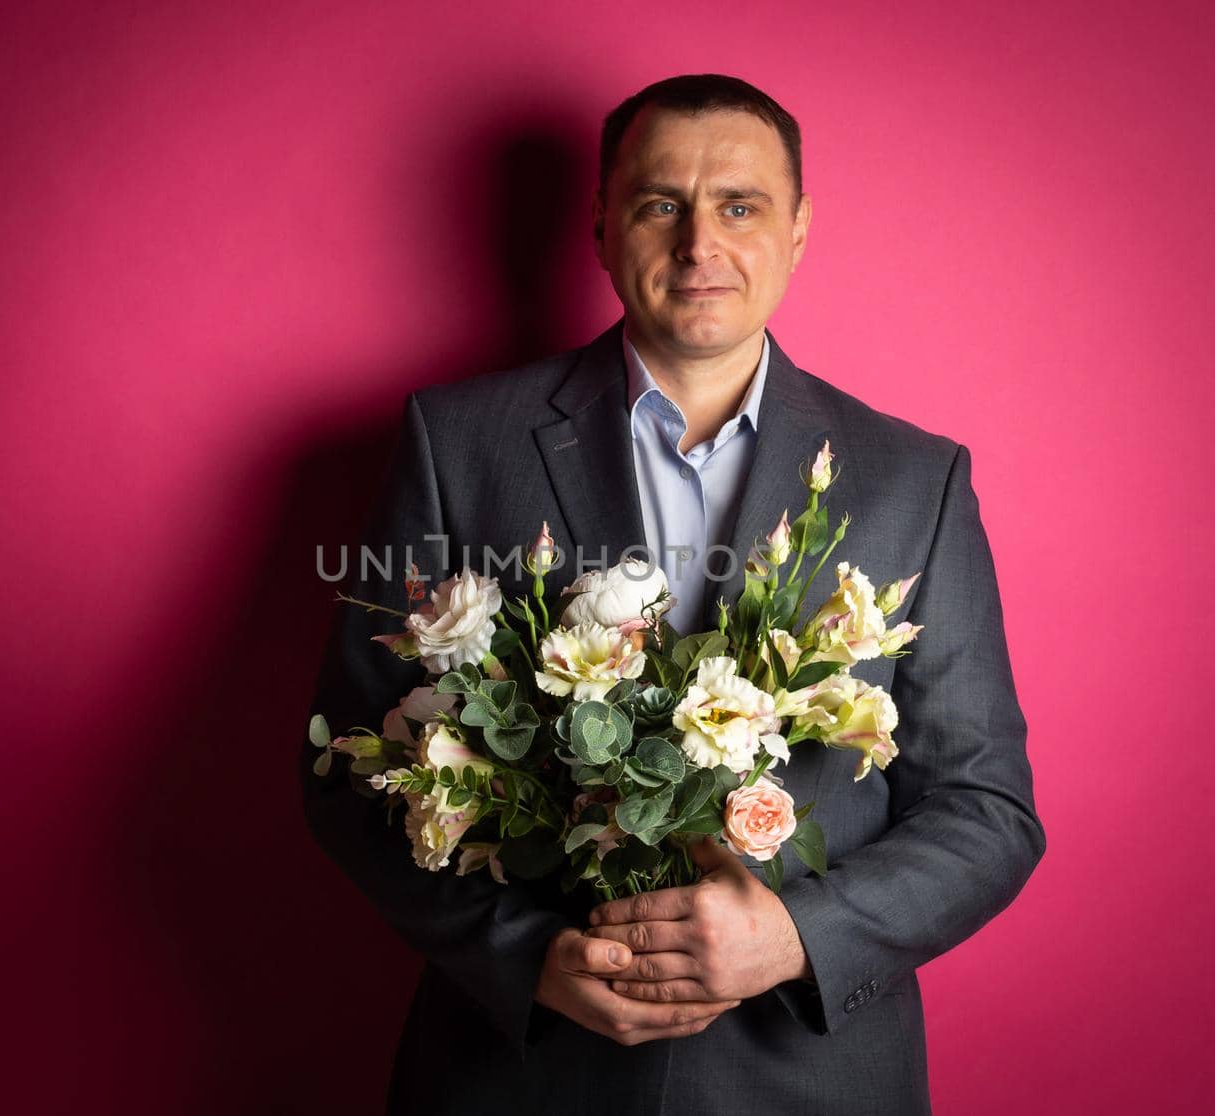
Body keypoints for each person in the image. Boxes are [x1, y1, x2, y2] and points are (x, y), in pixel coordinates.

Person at [303, 73, 1044, 1115]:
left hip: (808, 1076)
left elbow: (986, 808)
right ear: (602, 227)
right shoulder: (457, 442)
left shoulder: (911, 480)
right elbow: (350, 771)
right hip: (523, 1075)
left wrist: (794, 938)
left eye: (739, 206)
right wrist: (530, 959)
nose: (700, 243)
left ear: (796, 231)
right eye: (662, 204)